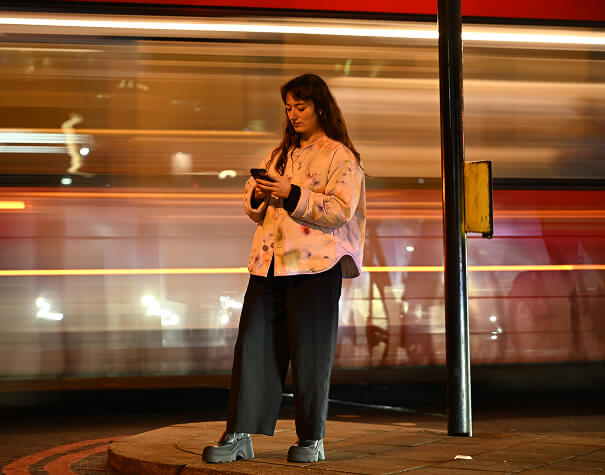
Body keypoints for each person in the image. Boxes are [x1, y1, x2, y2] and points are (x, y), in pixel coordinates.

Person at [203, 73, 366, 464]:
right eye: (289, 108)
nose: (293, 114)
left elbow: (341, 210)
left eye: (301, 106)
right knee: (253, 349)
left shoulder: (340, 157)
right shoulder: (278, 154)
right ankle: (238, 434)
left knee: (310, 356)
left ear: (320, 108)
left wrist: (290, 193)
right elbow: (251, 206)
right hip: (268, 266)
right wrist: (258, 193)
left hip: (316, 268)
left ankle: (312, 439)